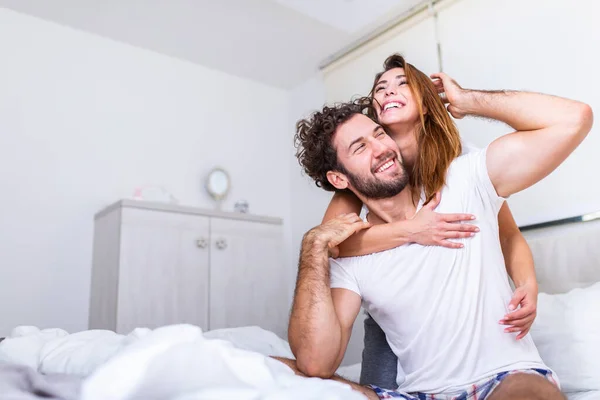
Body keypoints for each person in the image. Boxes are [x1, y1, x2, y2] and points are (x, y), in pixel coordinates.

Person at [282, 65, 592, 399]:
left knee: (528, 391)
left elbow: (574, 119)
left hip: (502, 379)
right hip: (418, 393)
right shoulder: (351, 247)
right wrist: (312, 244)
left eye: (378, 134)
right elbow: (316, 362)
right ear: (339, 179)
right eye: (360, 148)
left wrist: (467, 100)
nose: (380, 147)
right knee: (284, 371)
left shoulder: (467, 176)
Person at [323, 55, 541, 388]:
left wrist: (527, 284)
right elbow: (332, 245)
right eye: (379, 89)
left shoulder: (461, 161)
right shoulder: (369, 169)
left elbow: (508, 235)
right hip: (391, 313)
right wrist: (411, 231)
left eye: (401, 83)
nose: (386, 92)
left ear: (425, 102)